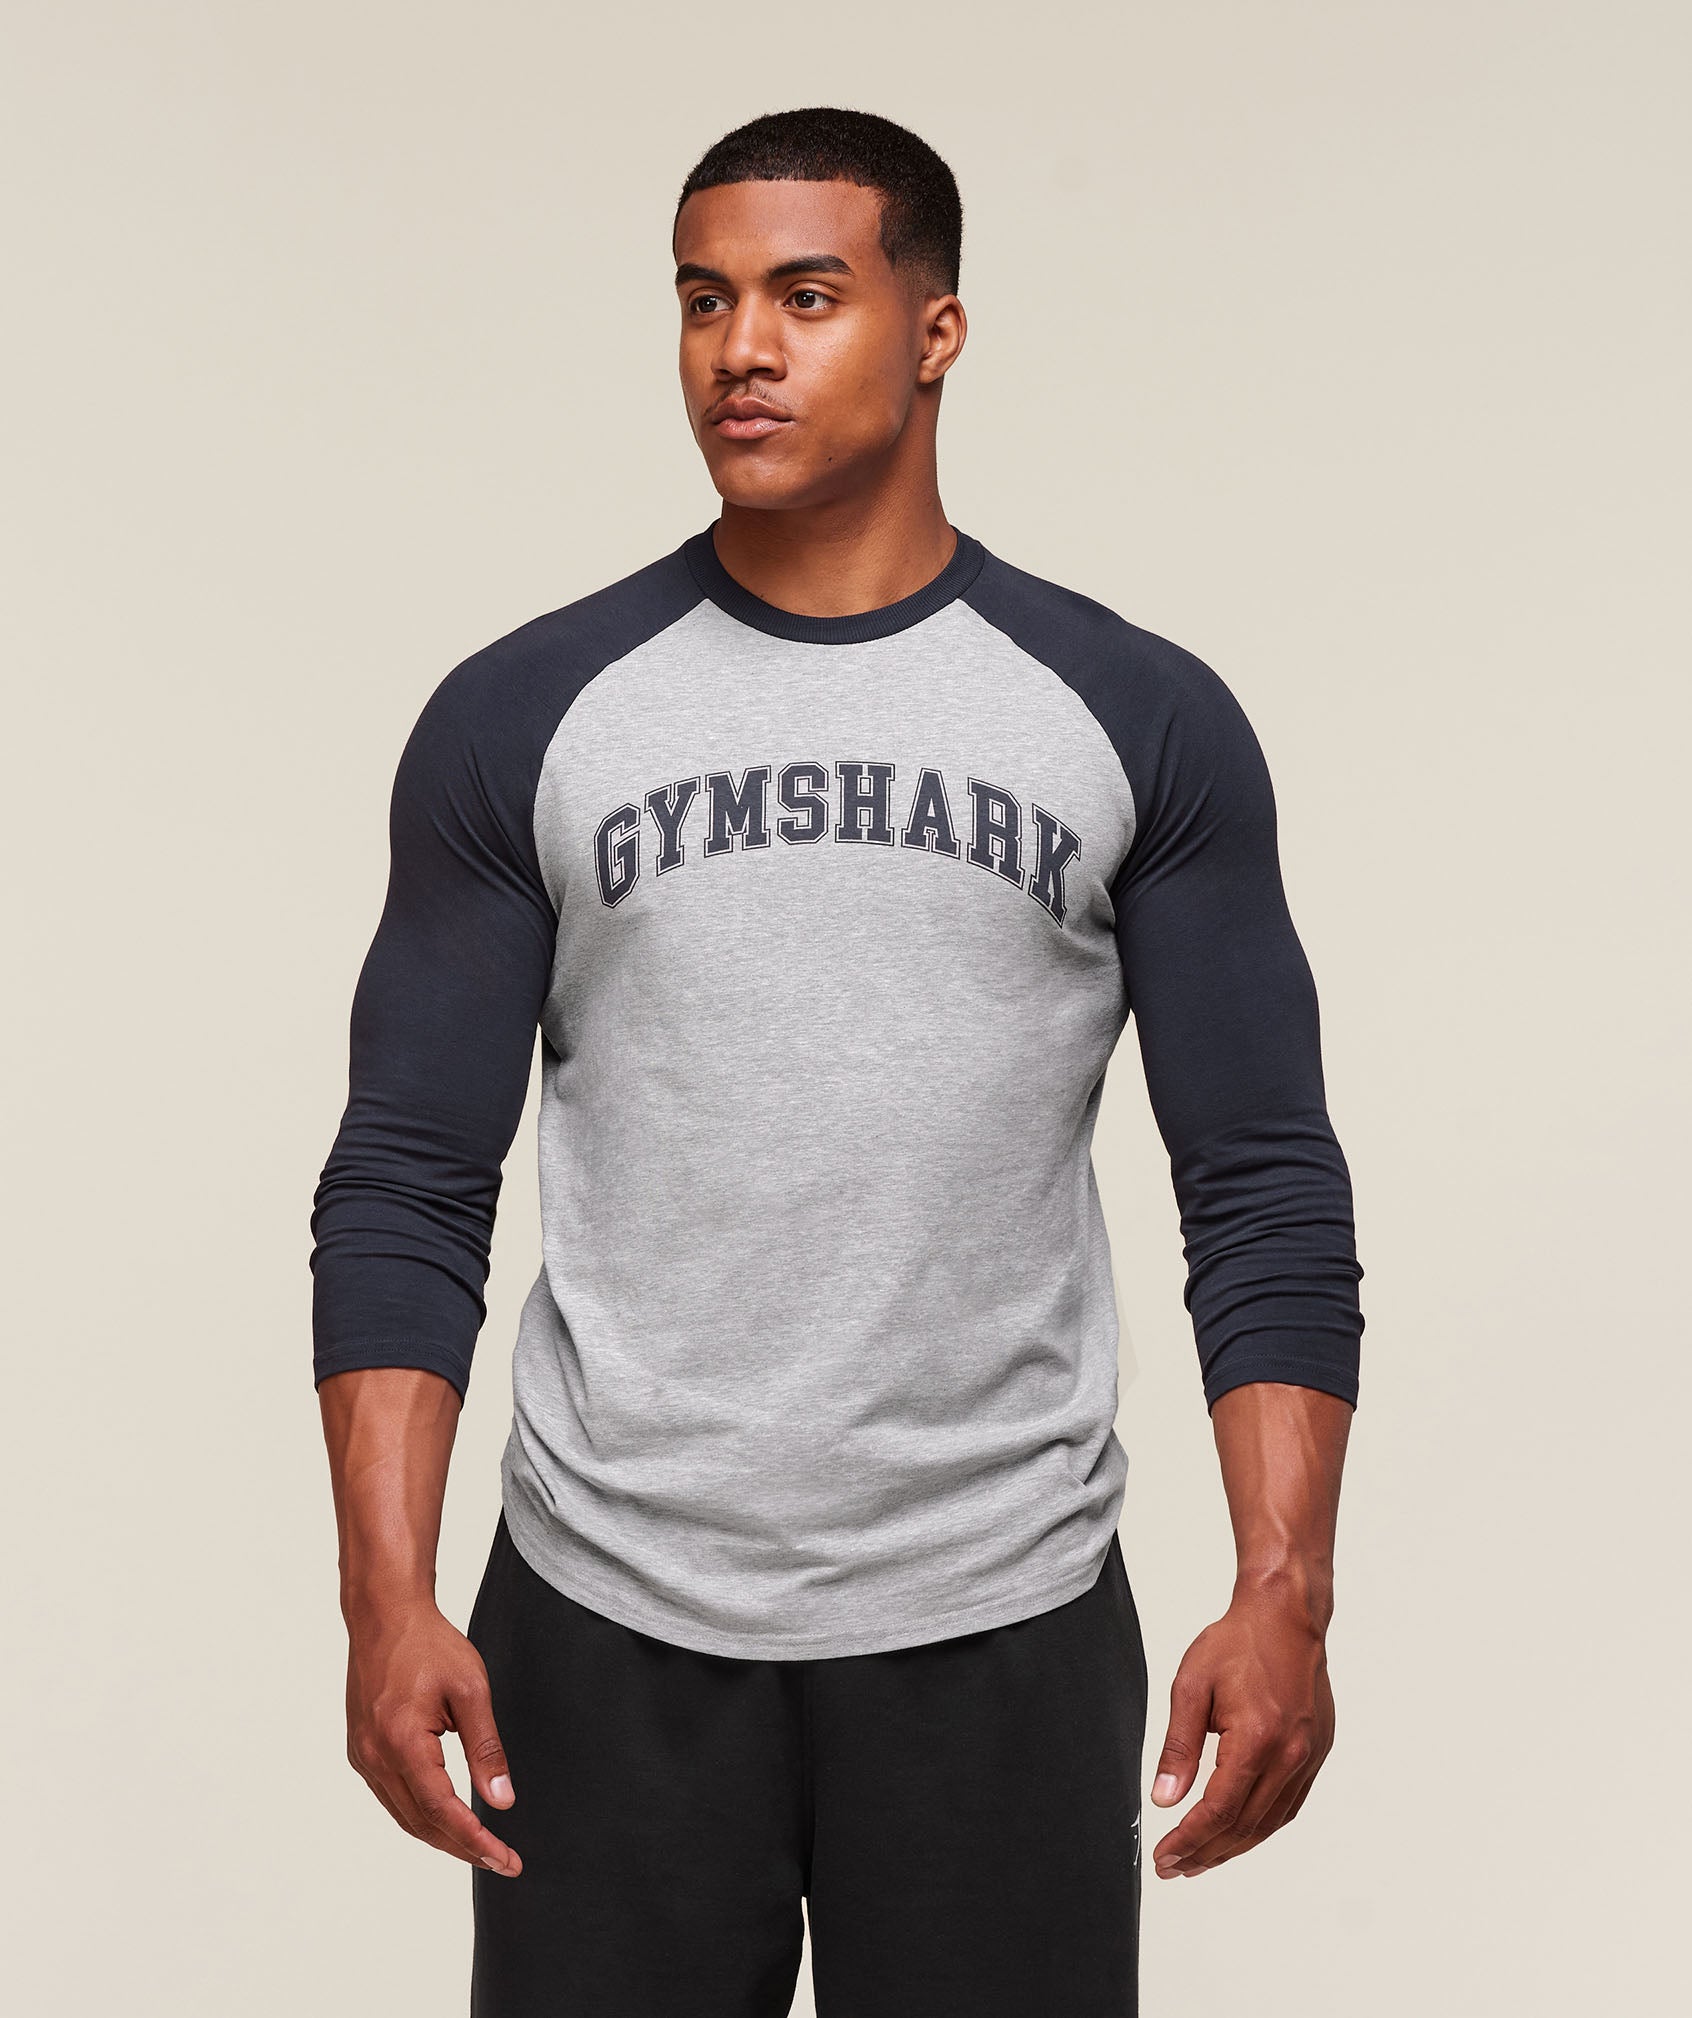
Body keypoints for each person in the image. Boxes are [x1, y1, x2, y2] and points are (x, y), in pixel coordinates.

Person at [310, 105, 1365, 2017]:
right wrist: (386, 1594)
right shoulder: (526, 713)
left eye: (807, 296)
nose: (742, 349)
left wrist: (1284, 1583)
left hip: (1002, 1615)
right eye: (704, 299)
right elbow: (406, 1178)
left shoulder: (1134, 714)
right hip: (606, 1618)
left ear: (937, 328)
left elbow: (1262, 1183)